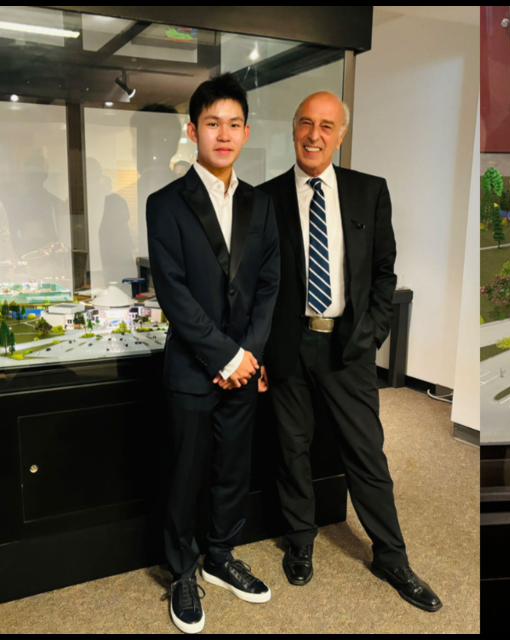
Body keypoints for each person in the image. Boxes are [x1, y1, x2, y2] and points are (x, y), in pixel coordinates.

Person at [257, 92, 441, 612]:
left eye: (327, 126)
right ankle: (300, 541)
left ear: (340, 136)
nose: (314, 135)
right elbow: (256, 284)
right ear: (294, 130)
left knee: (366, 453)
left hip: (349, 346)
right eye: (306, 124)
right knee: (291, 448)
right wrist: (262, 350)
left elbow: (385, 271)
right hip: (288, 345)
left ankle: (392, 556)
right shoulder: (265, 198)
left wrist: (373, 334)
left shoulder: (368, 191)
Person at [147, 74, 281, 634]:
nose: (222, 135)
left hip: (244, 369)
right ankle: (182, 570)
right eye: (211, 124)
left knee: (232, 469)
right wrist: (226, 357)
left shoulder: (261, 203)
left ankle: (222, 555)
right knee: (186, 473)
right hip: (194, 369)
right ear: (192, 130)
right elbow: (174, 294)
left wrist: (248, 354)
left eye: (233, 124)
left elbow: (270, 284)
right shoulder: (166, 203)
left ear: (245, 132)